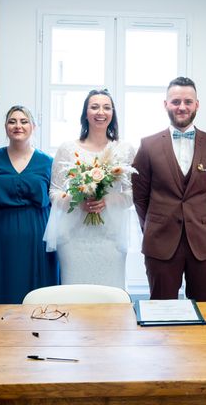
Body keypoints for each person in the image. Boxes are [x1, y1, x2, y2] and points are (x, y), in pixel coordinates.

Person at [132, 77, 206, 301]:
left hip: (205, 243)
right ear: (165, 104)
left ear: (197, 104)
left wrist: (201, 219)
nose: (182, 107)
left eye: (188, 101)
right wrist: (154, 225)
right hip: (160, 242)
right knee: (162, 312)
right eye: (176, 101)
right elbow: (140, 196)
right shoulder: (148, 145)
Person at [0, 106, 59, 303]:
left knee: (35, 296)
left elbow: (57, 201)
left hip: (37, 236)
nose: (18, 126)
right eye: (12, 121)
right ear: (6, 127)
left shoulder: (48, 162)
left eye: (24, 121)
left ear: (33, 126)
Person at [44, 90, 136, 288]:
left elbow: (131, 194)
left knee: (110, 294)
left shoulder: (125, 149)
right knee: (75, 296)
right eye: (94, 107)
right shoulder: (68, 149)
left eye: (106, 107)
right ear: (86, 114)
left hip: (110, 236)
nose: (100, 112)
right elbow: (54, 191)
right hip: (74, 237)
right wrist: (77, 201)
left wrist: (107, 201)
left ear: (113, 113)